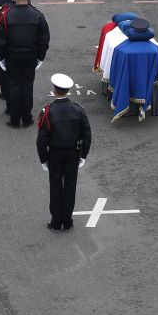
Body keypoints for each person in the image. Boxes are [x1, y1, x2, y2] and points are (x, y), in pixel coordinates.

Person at [0, 0, 51, 127]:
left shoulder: (5, 15)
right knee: (27, 86)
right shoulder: (38, 15)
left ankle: (14, 118)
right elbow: (44, 38)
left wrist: (1, 57)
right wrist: (40, 57)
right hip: (30, 57)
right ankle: (27, 117)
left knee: (14, 86)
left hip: (12, 57)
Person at [37, 73, 92, 233]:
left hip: (54, 154)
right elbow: (87, 134)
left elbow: (42, 138)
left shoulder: (48, 111)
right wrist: (83, 155)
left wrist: (43, 159)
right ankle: (67, 221)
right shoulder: (78, 110)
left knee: (55, 187)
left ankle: (56, 222)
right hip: (72, 154)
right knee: (70, 187)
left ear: (54, 91)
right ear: (68, 90)